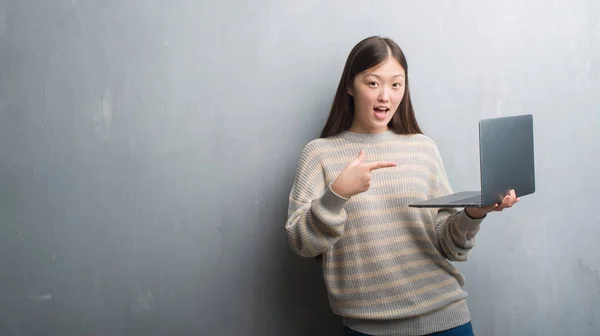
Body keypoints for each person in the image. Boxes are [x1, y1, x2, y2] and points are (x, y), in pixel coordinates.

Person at [284, 36, 519, 336]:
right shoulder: (320, 154)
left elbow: (448, 244)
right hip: (367, 327)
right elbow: (301, 243)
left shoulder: (423, 148)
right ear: (349, 86)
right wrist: (337, 194)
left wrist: (474, 214)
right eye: (373, 83)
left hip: (446, 318)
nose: (385, 96)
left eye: (396, 84)